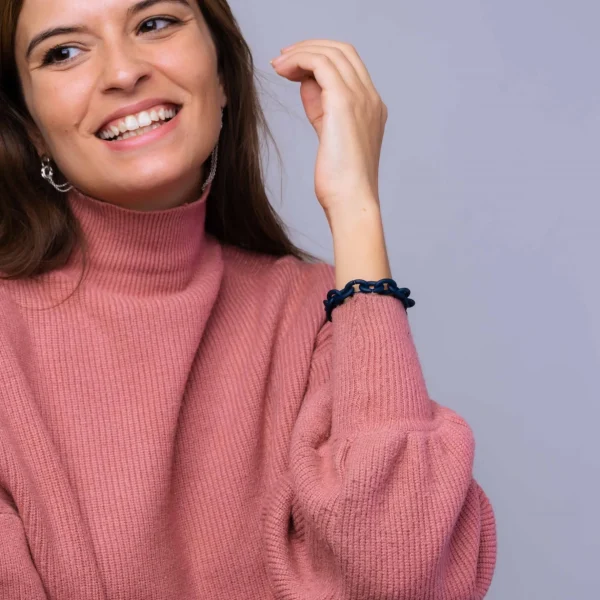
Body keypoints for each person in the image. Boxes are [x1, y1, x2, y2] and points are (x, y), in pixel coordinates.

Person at [0, 0, 497, 598]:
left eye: (153, 23)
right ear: (31, 130)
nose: (123, 71)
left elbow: (408, 576)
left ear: (223, 73)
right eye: (65, 52)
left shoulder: (319, 309)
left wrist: (355, 205)